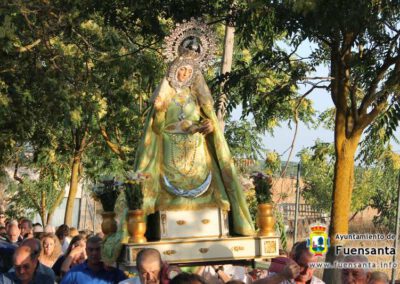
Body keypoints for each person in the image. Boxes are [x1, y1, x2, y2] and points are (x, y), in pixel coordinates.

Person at [133, 38, 254, 236]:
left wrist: (209, 125)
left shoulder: (197, 97)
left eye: (189, 71)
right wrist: (160, 110)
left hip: (196, 150)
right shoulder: (165, 96)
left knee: (208, 184)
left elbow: (209, 119)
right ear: (174, 70)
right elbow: (156, 129)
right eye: (182, 69)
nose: (185, 74)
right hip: (170, 149)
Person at [60, 236, 126, 284]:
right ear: (86, 251)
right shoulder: (74, 273)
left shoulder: (114, 273)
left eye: (98, 249)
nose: (94, 253)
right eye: (91, 250)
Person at [255, 241, 324, 284]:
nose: (306, 272)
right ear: (292, 258)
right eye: (302, 265)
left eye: (312, 267)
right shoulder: (277, 278)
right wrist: (281, 276)